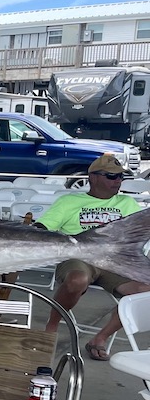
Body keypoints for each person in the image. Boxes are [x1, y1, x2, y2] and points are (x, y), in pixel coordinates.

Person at [37, 152, 149, 361]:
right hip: (78, 256)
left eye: (120, 177)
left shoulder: (127, 203)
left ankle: (100, 338)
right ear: (93, 177)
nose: (118, 181)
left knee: (146, 291)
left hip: (114, 261)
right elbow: (42, 228)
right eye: (111, 176)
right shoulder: (69, 201)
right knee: (77, 280)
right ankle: (52, 327)